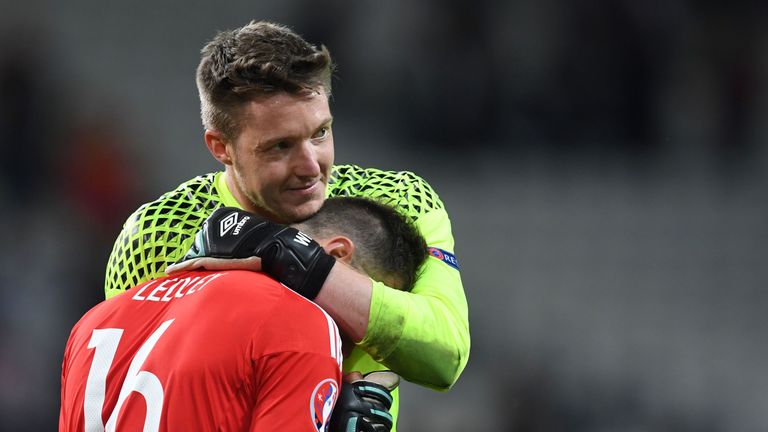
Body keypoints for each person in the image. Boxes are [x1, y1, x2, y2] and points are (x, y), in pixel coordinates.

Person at [103, 20, 469, 425]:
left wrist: (295, 259)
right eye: (281, 146)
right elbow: (125, 400)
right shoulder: (157, 235)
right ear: (221, 147)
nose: (311, 167)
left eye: (320, 133)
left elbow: (445, 353)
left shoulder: (396, 200)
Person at [61, 197, 425, 431]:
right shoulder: (302, 324)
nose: (350, 348)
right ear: (336, 256)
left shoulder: (94, 322)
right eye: (359, 310)